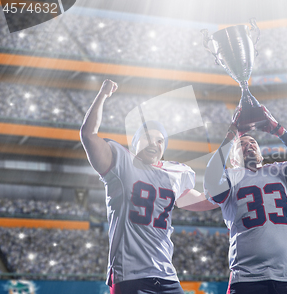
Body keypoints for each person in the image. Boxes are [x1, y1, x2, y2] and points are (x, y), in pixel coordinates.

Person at [80, 79, 217, 294]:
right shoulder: (121, 162)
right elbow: (88, 135)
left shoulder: (175, 174)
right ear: (134, 143)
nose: (154, 143)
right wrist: (103, 95)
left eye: (160, 141)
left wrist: (232, 188)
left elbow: (205, 201)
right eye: (147, 138)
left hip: (166, 275)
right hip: (130, 274)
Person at [203, 106, 287, 294]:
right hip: (248, 278)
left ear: (261, 154)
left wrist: (278, 129)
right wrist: (232, 135)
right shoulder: (230, 177)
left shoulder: (279, 171)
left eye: (253, 142)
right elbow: (211, 178)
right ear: (232, 159)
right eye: (242, 144)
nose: (249, 145)